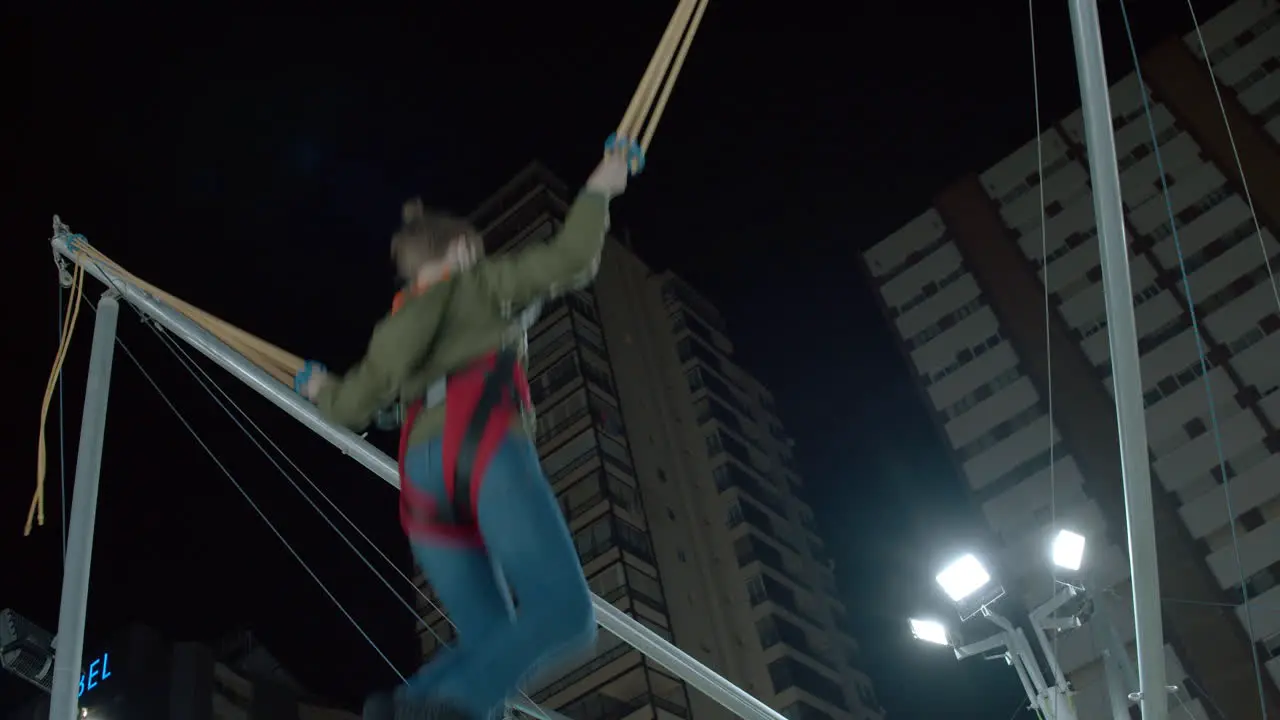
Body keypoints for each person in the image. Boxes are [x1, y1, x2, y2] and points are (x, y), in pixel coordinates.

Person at [296, 148, 632, 720]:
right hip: (484, 450)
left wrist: (322, 387)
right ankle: (442, 706)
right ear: (462, 249)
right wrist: (601, 186)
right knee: (564, 614)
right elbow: (571, 258)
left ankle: (406, 706)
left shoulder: (394, 330)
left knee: (488, 643)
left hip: (424, 488)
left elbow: (350, 407)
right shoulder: (478, 283)